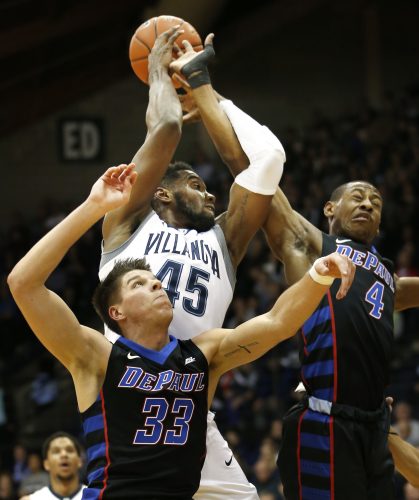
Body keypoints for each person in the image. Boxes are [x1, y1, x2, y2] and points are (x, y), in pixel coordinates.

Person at [8, 163, 355, 499]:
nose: (157, 285)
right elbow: (23, 283)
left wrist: (319, 274)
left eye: (155, 280)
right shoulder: (95, 357)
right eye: (139, 284)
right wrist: (92, 207)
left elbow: (277, 323)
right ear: (117, 311)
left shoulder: (203, 353)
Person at [169, 37, 419, 500]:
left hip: (375, 429)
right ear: (329, 209)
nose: (367, 202)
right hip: (324, 421)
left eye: (376, 201)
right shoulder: (310, 244)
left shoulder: (385, 274)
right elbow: (250, 171)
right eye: (356, 196)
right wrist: (206, 92)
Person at [100, 27, 286, 500]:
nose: (210, 192)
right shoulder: (127, 225)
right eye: (197, 185)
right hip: (127, 408)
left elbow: (264, 160)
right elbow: (165, 129)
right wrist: (161, 74)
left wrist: (203, 86)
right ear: (162, 192)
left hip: (189, 412)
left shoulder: (225, 241)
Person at [19, 432, 85, 500]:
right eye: (56, 451)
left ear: (80, 461)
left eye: (69, 450)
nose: (64, 454)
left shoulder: (95, 496)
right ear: (46, 464)